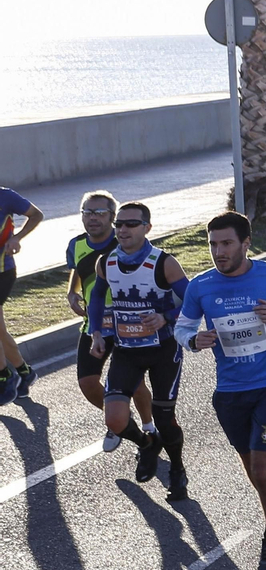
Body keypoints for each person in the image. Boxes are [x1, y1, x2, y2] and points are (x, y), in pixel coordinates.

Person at [175, 212, 266, 570]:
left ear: (245, 243)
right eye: (213, 244)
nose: (219, 251)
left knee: (263, 467)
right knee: (254, 469)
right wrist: (193, 340)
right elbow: (183, 326)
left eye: (226, 243)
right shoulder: (200, 286)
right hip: (230, 390)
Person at [86, 202, 191, 495]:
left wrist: (165, 317)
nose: (122, 229)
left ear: (147, 228)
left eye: (131, 224)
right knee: (115, 419)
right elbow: (97, 298)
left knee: (164, 418)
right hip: (126, 350)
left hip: (163, 351)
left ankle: (177, 468)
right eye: (119, 224)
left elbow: (193, 301)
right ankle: (147, 443)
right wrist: (97, 332)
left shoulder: (164, 263)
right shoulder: (106, 262)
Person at [67, 191, 154, 448]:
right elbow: (78, 270)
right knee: (87, 382)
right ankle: (120, 422)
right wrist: (71, 292)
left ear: (112, 217)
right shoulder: (75, 245)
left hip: (126, 325)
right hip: (94, 326)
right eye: (87, 213)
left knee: (135, 384)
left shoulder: (124, 243)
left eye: (99, 213)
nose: (92, 218)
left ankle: (149, 427)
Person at [0, 187, 43, 405]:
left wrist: (17, 238)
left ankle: (5, 378)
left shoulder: (5, 196)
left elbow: (37, 215)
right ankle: (24, 372)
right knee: (0, 331)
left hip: (2, 271)